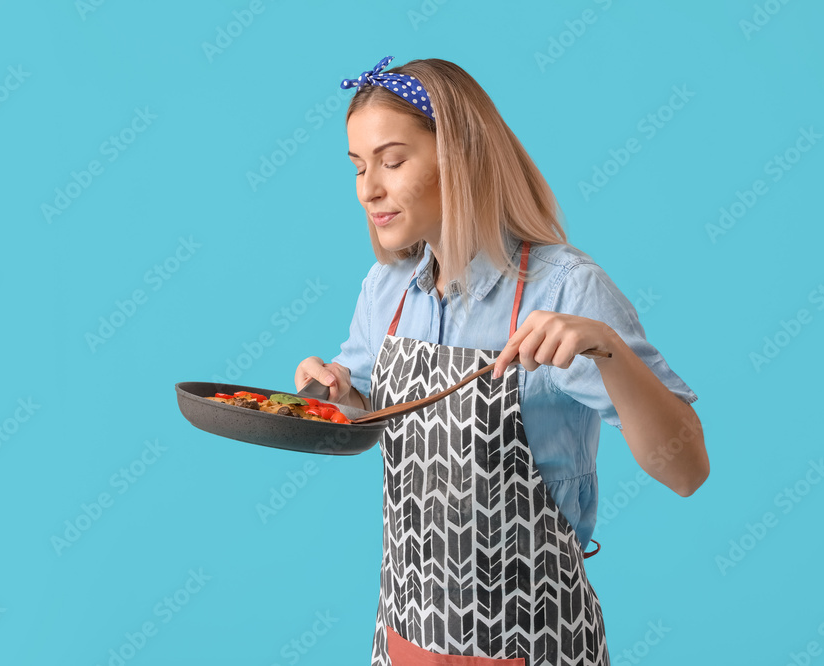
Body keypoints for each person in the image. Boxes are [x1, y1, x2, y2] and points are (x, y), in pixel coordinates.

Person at [294, 55, 709, 666]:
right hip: (404, 634)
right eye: (358, 167)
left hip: (533, 639)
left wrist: (610, 352)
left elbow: (687, 470)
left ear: (458, 158)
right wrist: (336, 397)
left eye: (392, 160)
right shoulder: (386, 292)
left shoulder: (565, 288)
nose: (368, 189)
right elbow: (364, 410)